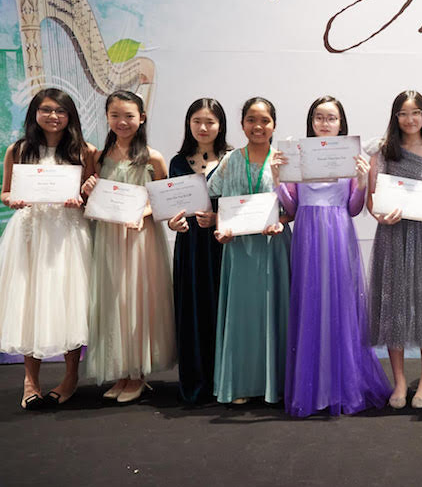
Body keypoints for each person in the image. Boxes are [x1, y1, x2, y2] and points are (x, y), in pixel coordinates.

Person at [277, 96, 392, 417]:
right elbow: (292, 207)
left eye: (331, 118)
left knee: (340, 305)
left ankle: (343, 386)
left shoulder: (350, 157)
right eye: (319, 117)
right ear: (311, 121)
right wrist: (278, 180)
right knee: (310, 305)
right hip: (307, 234)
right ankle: (313, 387)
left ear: (341, 123)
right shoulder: (298, 156)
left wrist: (362, 181)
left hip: (339, 234)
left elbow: (353, 208)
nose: (324, 123)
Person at [0, 88, 95, 409]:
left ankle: (70, 376)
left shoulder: (84, 151)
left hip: (67, 234)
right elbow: (5, 191)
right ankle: (30, 381)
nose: (53, 116)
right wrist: (12, 199)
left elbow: (92, 197)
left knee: (69, 301)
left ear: (70, 116)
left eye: (60, 111)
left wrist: (82, 197)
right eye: (46, 110)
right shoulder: (18, 149)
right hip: (30, 233)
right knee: (29, 301)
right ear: (35, 113)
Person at [83, 90, 175, 404]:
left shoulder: (153, 157)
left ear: (142, 118)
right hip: (108, 237)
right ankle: (121, 373)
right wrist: (89, 189)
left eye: (129, 116)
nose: (122, 122)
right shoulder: (98, 156)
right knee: (113, 301)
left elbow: (163, 200)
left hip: (140, 238)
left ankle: (137, 375)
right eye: (115, 115)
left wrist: (142, 213)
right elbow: (91, 198)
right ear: (107, 118)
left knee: (136, 301)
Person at [368, 90, 422, 409]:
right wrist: (380, 215)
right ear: (395, 117)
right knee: (394, 307)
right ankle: (400, 381)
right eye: (403, 113)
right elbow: (372, 199)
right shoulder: (382, 152)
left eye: (415, 112)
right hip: (391, 235)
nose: (409, 119)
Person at [208, 97, 291, 405]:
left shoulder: (283, 160)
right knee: (242, 317)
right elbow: (216, 198)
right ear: (242, 124)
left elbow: (293, 208)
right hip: (239, 248)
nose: (258, 126)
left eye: (264, 120)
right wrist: (220, 228)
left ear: (274, 125)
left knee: (273, 313)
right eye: (251, 120)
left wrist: (281, 221)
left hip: (273, 246)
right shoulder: (230, 160)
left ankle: (276, 384)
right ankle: (240, 385)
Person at [165, 98, 230, 403]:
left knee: (221, 310)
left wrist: (217, 218)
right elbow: (170, 208)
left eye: (210, 122)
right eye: (197, 121)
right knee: (192, 311)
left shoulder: (232, 159)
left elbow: (242, 203)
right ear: (188, 124)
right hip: (189, 247)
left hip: (222, 245)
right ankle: (195, 383)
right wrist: (173, 223)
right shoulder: (177, 162)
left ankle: (224, 382)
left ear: (221, 125)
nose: (203, 127)